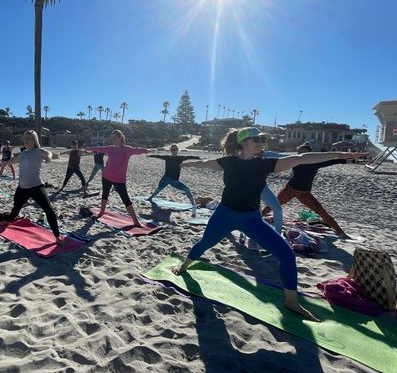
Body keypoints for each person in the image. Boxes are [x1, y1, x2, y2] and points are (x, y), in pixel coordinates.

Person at [172, 127, 366, 321]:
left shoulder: (264, 164)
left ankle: (291, 302)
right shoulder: (228, 162)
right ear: (243, 142)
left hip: (251, 220)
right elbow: (206, 163)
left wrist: (340, 155)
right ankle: (184, 266)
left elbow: (302, 158)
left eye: (262, 139)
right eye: (255, 139)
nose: (260, 142)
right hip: (225, 215)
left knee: (287, 255)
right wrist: (188, 165)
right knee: (205, 243)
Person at [261, 143, 359, 239]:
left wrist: (352, 161)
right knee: (273, 206)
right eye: (299, 152)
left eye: (303, 152)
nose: (300, 155)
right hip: (290, 189)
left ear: (309, 154)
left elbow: (334, 161)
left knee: (321, 212)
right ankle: (257, 219)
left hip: (305, 193)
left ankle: (341, 232)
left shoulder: (316, 163)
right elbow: (277, 158)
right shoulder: (295, 161)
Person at [0, 130, 61, 245]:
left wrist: (48, 158)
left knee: (49, 211)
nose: (27, 141)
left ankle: (57, 237)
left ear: (34, 140)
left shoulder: (39, 151)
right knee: (15, 211)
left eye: (29, 138)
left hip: (36, 187)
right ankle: (8, 221)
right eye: (25, 139)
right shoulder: (23, 154)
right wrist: (4, 164)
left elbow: (48, 153)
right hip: (22, 188)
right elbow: (12, 161)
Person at [88, 130, 149, 227]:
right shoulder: (110, 149)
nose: (113, 140)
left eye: (115, 138)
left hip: (119, 179)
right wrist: (90, 148)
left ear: (121, 138)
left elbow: (137, 150)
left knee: (125, 199)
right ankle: (101, 212)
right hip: (106, 176)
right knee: (105, 194)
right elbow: (100, 148)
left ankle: (135, 221)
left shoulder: (127, 149)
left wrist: (146, 150)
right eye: (112, 138)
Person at [146, 144, 201, 217]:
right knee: (158, 189)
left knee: (187, 189)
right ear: (170, 150)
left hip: (174, 180)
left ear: (177, 150)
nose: (173, 151)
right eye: (172, 149)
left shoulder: (180, 158)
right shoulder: (167, 157)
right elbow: (158, 156)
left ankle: (193, 204)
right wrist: (150, 155)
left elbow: (189, 157)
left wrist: (199, 157)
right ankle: (150, 198)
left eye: (175, 149)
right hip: (166, 178)